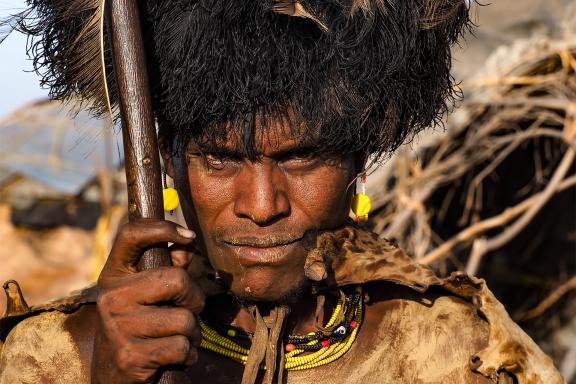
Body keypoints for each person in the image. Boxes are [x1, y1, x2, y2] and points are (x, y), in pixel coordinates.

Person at [0, 1, 566, 383]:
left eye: (300, 158)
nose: (263, 206)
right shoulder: (43, 358)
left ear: (358, 160)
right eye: (220, 159)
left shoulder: (460, 354)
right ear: (169, 159)